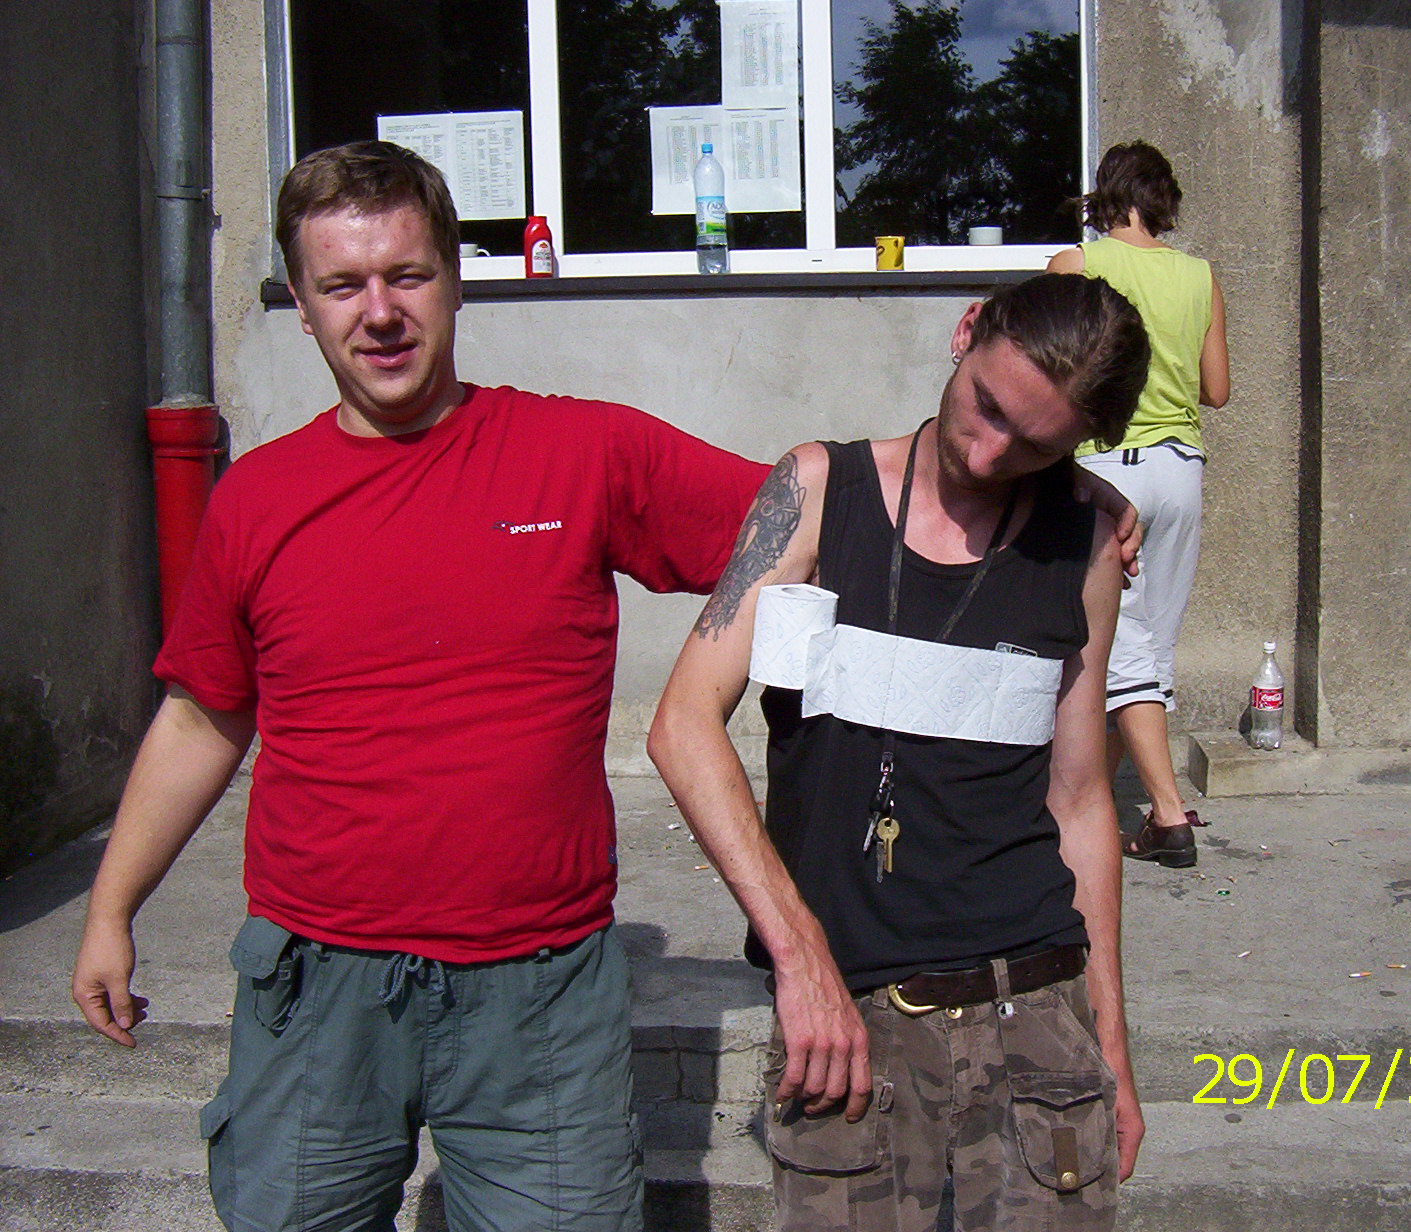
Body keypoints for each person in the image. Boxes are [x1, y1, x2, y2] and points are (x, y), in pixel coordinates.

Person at [70, 144, 1142, 1231]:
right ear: (301, 306)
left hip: (537, 994)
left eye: (409, 274)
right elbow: (201, 717)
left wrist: (1060, 490)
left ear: (456, 278)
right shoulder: (257, 499)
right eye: (343, 285)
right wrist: (112, 908)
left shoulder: (583, 452)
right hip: (317, 983)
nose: (381, 312)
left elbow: (846, 512)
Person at [647, 273, 1151, 1231]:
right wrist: (800, 959)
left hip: (1034, 1014)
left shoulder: (1084, 541)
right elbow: (682, 726)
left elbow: (1081, 799)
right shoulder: (816, 493)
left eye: (1036, 444)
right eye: (987, 406)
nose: (989, 452)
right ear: (966, 332)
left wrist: (1111, 1045)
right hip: (849, 1020)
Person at [1048, 139, 1230, 869]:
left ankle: (1167, 812)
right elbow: (1217, 390)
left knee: (1123, 656)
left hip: (1106, 472)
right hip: (1181, 472)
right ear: (1163, 200)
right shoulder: (1200, 276)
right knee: (1144, 653)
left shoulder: (1076, 266)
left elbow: (1049, 368)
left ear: (1105, 195)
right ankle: (1081, 806)